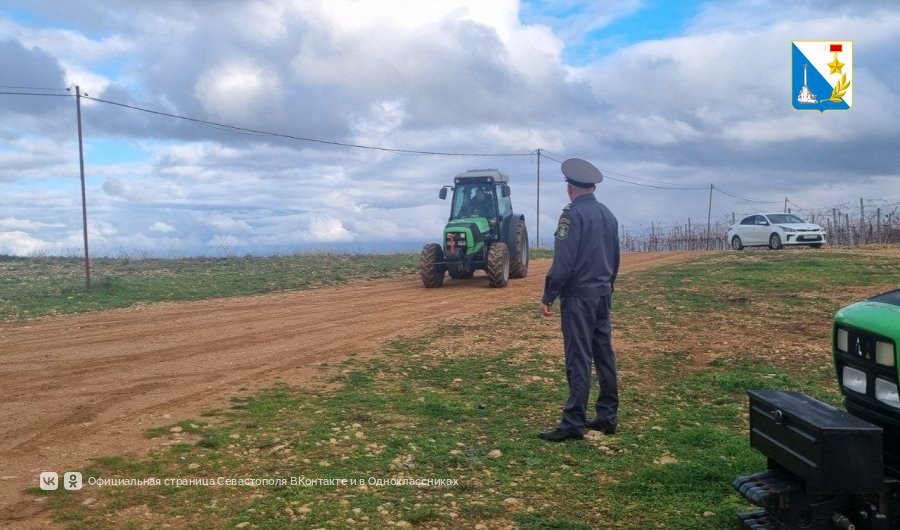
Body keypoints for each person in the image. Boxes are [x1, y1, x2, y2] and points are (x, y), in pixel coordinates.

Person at [538, 158, 620, 442]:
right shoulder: (608, 214)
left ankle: (573, 422)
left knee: (578, 356)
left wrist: (549, 294)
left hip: (578, 297)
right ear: (592, 187)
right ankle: (607, 416)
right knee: (604, 354)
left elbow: (564, 262)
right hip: (602, 294)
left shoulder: (570, 217)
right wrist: (608, 286)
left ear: (570, 188)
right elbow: (615, 257)